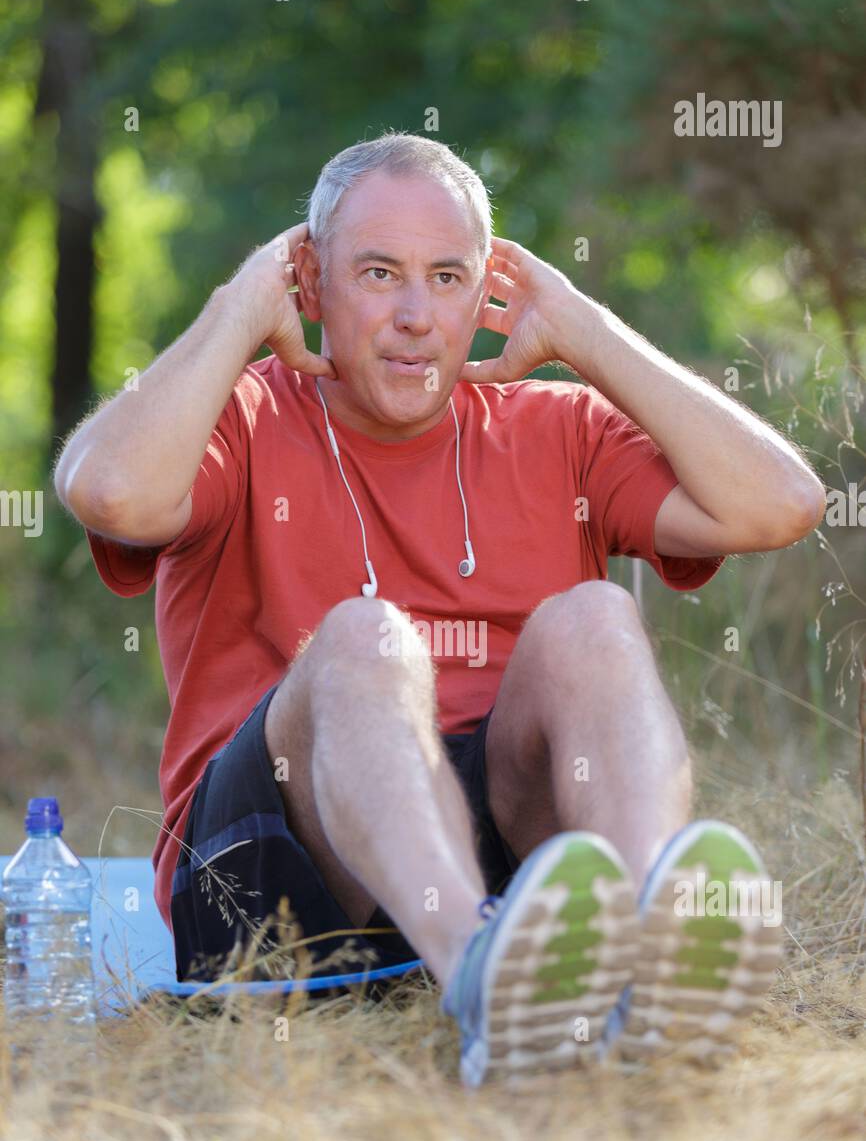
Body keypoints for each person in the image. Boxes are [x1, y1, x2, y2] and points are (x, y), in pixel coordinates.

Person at [55, 132, 825, 1086]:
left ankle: (640, 959)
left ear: (487, 294)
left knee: (594, 618)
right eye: (379, 273)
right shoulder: (245, 415)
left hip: (516, 878)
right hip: (273, 886)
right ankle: (483, 988)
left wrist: (586, 329)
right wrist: (236, 309)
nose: (417, 315)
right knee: (364, 638)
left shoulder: (556, 430)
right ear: (310, 282)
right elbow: (111, 493)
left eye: (449, 278)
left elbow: (781, 504)